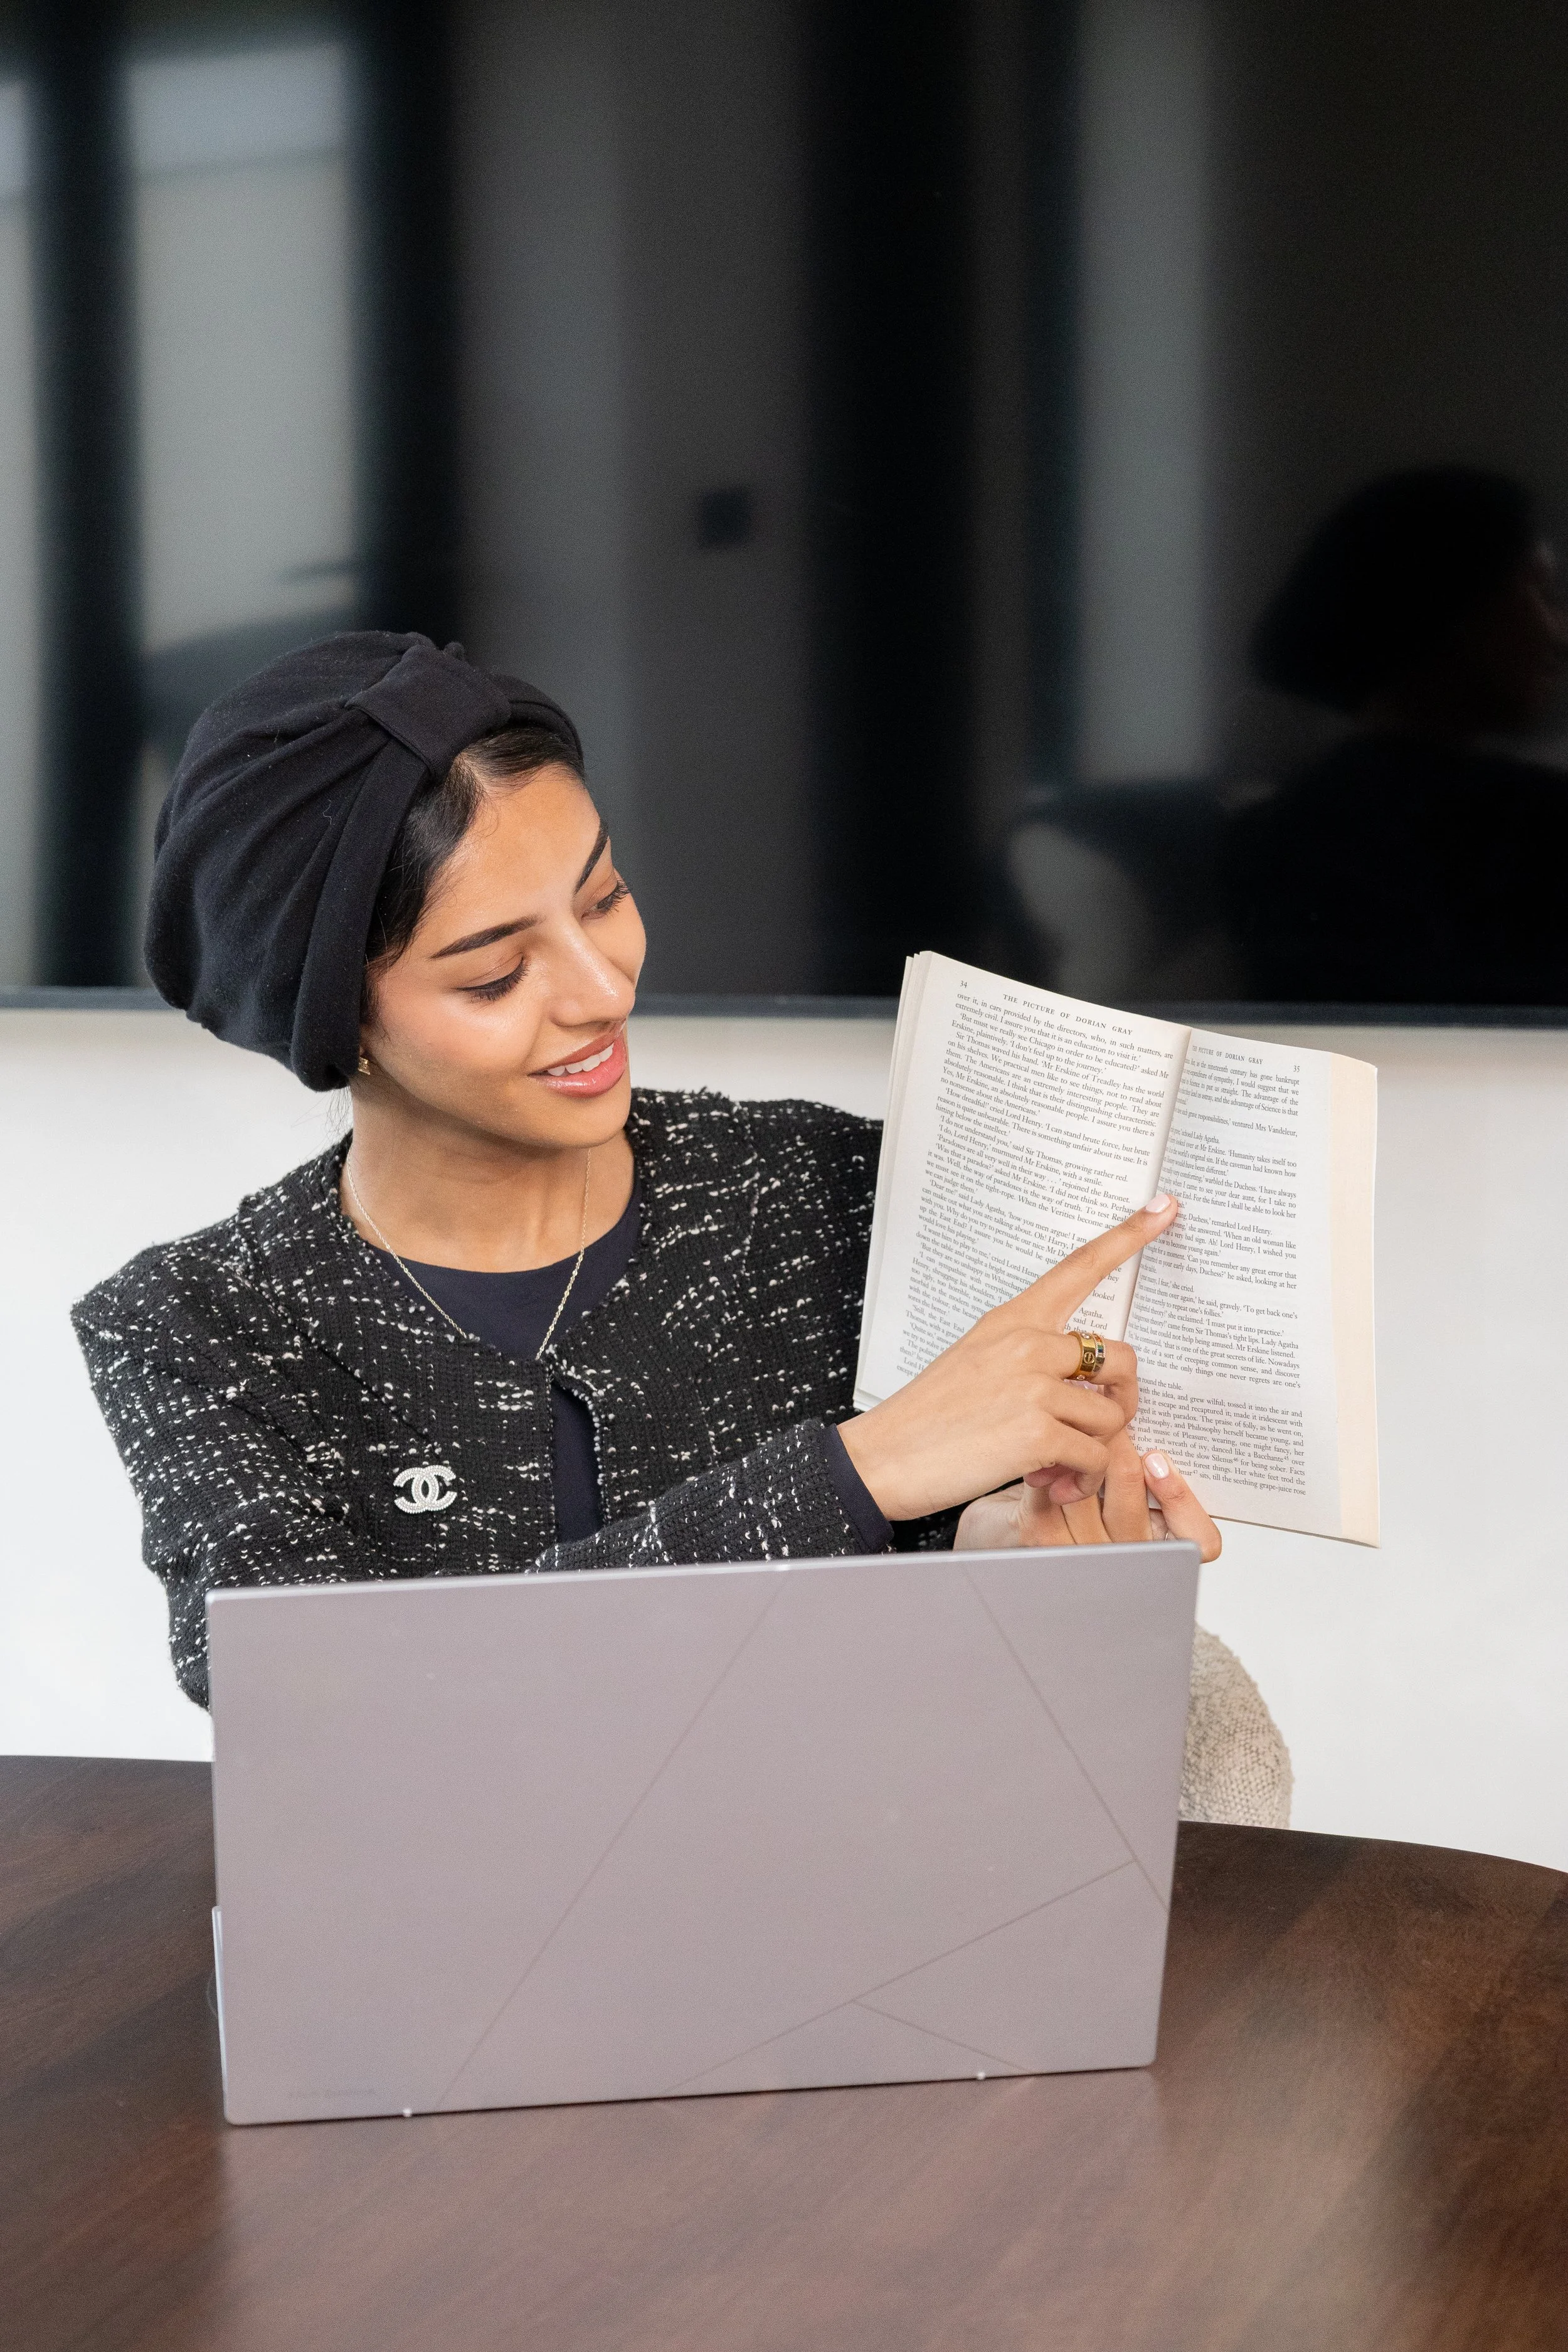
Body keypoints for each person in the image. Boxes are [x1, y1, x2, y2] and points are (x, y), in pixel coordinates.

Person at [74, 630, 1288, 1822]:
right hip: (472, 1966)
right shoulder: (198, 1324)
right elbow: (335, 1718)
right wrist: (858, 1472)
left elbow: (925, 1662)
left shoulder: (826, 1186)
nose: (603, 989)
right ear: (334, 1018)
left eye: (601, 897)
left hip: (864, 1897)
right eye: (495, 976)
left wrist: (1012, 1555)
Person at [1228, 466, 1568, 1003]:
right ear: (1452, 606)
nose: (1558, 634)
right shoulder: (1541, 829)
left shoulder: (1269, 836)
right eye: (1541, 593)